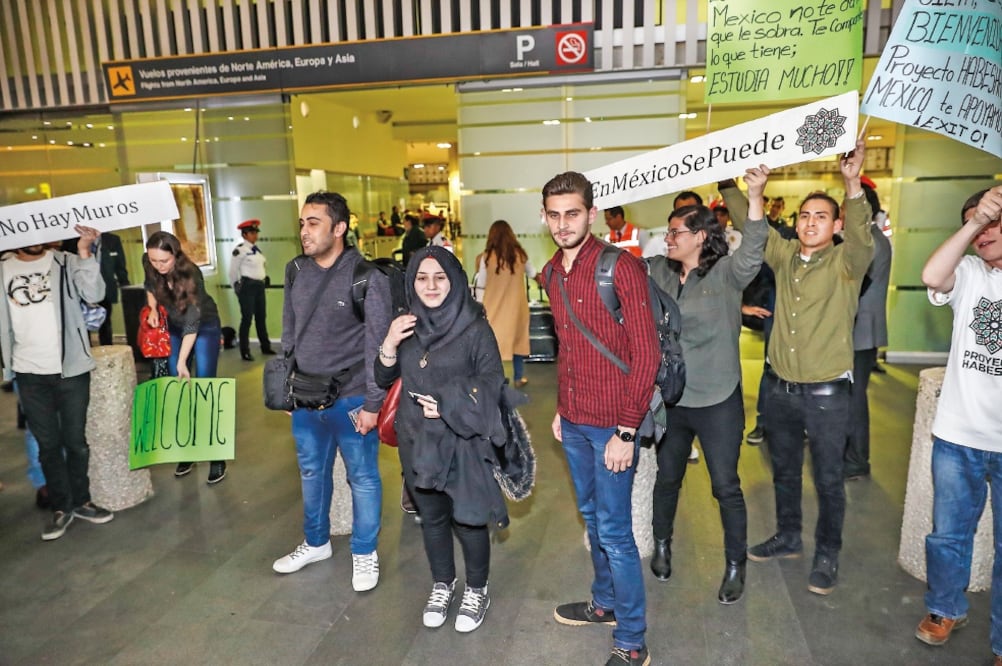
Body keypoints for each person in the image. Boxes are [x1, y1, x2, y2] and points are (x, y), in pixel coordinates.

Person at [726, 139, 874, 596]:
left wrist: (852, 182)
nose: (810, 223)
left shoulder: (849, 262)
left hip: (828, 396)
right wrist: (734, 182)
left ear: (836, 225)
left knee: (829, 479)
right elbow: (748, 226)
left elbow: (863, 234)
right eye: (804, 216)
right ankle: (789, 536)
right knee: (784, 471)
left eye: (821, 216)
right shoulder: (784, 254)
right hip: (779, 391)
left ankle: (827, 551)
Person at [542, 171, 660, 666]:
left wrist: (627, 430)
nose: (563, 224)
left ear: (591, 214)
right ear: (544, 217)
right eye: (554, 214)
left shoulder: (620, 268)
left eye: (572, 213)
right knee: (592, 519)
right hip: (573, 420)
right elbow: (569, 349)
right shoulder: (549, 273)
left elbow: (647, 354)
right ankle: (604, 603)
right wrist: (561, 409)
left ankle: (632, 641)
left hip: (613, 425)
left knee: (613, 531)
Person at [646, 166, 768, 605]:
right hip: (672, 400)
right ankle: (662, 545)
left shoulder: (726, 275)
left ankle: (735, 565)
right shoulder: (656, 272)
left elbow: (754, 248)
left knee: (725, 486)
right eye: (668, 231)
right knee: (668, 478)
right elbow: (616, 272)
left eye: (676, 231)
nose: (668, 238)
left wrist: (753, 194)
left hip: (718, 399)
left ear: (700, 236)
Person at [375, 245, 508, 633]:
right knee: (431, 517)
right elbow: (383, 380)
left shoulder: (475, 327)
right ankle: (443, 583)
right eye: (421, 277)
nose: (430, 286)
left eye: (440, 277)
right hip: (418, 439)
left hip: (462, 440)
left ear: (455, 281)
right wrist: (388, 344)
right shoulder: (406, 325)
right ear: (411, 282)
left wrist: (448, 404)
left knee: (468, 520)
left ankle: (477, 589)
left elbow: (492, 383)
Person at [272, 191, 391, 594]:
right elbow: (289, 334)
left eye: (314, 223)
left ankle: (363, 552)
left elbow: (379, 346)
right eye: (303, 223)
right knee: (311, 473)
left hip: (353, 398)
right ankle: (317, 542)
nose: (304, 231)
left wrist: (374, 405)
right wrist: (288, 388)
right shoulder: (295, 271)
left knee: (363, 478)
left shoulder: (365, 278)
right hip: (305, 398)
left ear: (339, 228)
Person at [914, 185, 1002, 662]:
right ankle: (945, 607)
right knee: (947, 534)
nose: (982, 233)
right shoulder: (969, 274)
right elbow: (932, 273)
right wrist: (974, 221)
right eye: (974, 226)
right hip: (957, 436)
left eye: (992, 222)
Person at [0, 225, 115, 540]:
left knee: (76, 442)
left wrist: (84, 252)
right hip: (28, 372)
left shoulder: (65, 261)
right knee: (48, 445)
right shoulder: (3, 269)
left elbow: (95, 294)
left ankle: (82, 500)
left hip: (71, 368)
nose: (35, 240)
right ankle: (61, 507)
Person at [143, 231, 227, 485]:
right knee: (178, 388)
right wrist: (154, 308)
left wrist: (182, 361)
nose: (158, 266)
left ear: (175, 255)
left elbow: (193, 320)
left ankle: (216, 457)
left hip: (204, 328)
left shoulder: (191, 274)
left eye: (164, 262)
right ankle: (188, 451)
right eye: (154, 261)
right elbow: (149, 285)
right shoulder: (149, 261)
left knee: (204, 387)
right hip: (176, 328)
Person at [844, 180, 892, 480]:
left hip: (861, 329)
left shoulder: (871, 242)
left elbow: (856, 286)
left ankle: (857, 459)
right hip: (863, 328)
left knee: (854, 398)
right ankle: (852, 455)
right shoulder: (873, 238)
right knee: (853, 395)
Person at [475, 220, 536, 386]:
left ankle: (495, 379)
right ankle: (518, 377)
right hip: (517, 308)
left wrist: (478, 306)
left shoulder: (486, 257)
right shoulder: (520, 255)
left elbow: (481, 283)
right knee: (517, 341)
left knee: (493, 343)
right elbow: (532, 273)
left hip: (493, 307)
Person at [61, 231, 130, 346]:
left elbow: (120, 265)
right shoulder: (70, 241)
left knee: (106, 324)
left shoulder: (112, 240)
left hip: (105, 288)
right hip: (78, 289)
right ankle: (87, 352)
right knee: (81, 325)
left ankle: (107, 352)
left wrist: (125, 286)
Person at [228, 219, 276, 361]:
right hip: (247, 287)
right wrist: (236, 287)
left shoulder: (256, 251)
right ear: (245, 234)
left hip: (259, 286)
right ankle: (245, 350)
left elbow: (260, 268)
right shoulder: (240, 250)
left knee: (261, 318)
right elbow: (232, 272)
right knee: (247, 319)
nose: (255, 235)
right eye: (252, 232)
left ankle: (265, 346)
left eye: (256, 232)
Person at [642, 191, 703, 259]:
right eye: (680, 212)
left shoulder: (710, 239)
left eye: (689, 211)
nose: (685, 216)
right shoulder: (657, 243)